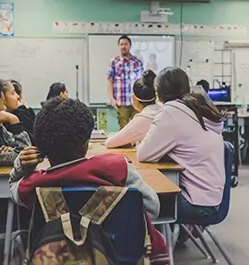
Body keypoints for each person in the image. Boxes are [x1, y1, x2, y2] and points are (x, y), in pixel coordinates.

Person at [9, 98, 169, 264]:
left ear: (42, 148)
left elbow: (14, 189)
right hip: (119, 256)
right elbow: (152, 208)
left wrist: (21, 166)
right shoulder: (117, 168)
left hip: (59, 257)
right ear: (86, 142)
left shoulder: (35, 184)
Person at [137, 67, 225, 222]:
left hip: (196, 203)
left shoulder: (171, 112)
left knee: (134, 203)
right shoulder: (198, 107)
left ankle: (158, 245)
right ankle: (177, 236)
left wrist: (140, 143)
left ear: (158, 93)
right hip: (213, 198)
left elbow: (143, 154)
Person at [105, 70, 160, 148]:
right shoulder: (164, 111)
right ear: (156, 96)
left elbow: (109, 143)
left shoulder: (141, 120)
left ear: (134, 98)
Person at [108, 35, 144, 129]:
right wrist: (112, 99)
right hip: (121, 102)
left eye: (126, 44)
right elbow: (110, 81)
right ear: (119, 46)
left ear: (130, 45)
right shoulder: (114, 62)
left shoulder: (137, 62)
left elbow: (141, 82)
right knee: (123, 129)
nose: (124, 46)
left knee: (137, 128)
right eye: (121, 44)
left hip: (135, 102)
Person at [0, 79, 31, 166]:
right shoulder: (9, 118)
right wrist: (14, 120)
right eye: (13, 93)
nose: (18, 97)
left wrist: (13, 150)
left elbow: (27, 149)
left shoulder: (2, 123)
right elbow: (26, 157)